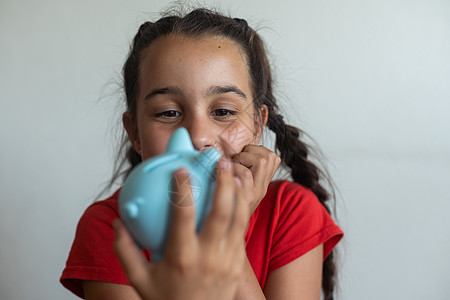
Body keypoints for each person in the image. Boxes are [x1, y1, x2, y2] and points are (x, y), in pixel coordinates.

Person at [60, 7, 343, 300]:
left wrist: (227, 238)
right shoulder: (110, 227)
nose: (198, 136)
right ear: (135, 133)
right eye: (169, 112)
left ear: (258, 125)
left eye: (222, 111)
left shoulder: (291, 212)